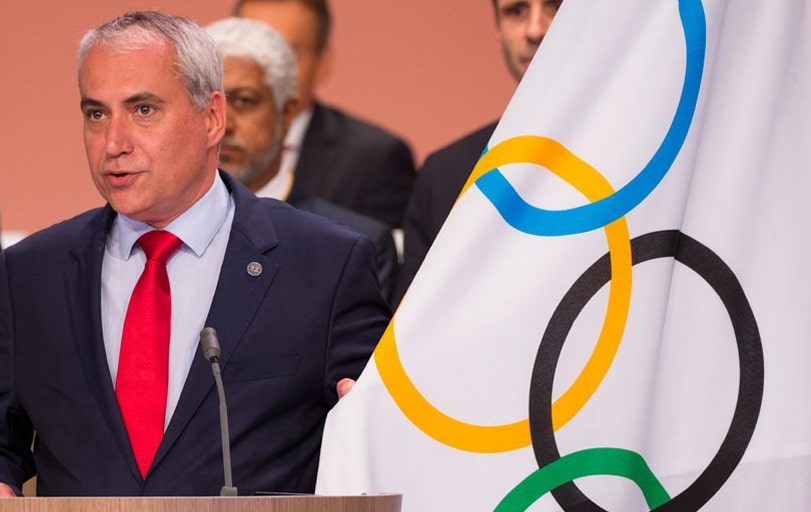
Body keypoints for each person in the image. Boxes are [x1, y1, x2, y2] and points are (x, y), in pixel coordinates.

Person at [0, 11, 390, 498]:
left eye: (143, 110)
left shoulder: (325, 266)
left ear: (212, 117)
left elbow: (379, 449)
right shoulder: (35, 271)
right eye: (96, 113)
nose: (114, 143)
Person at [206, 17, 398, 296]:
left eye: (244, 100)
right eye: (209, 104)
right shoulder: (156, 226)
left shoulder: (352, 244)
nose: (224, 123)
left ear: (286, 114)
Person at [392, 0, 561, 303]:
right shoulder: (445, 175)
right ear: (498, 28)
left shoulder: (653, 160)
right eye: (516, 11)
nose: (535, 30)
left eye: (557, 6)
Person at [232, 0, 416, 229]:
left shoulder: (375, 159)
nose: (264, 67)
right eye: (251, 50)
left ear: (323, 63)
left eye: (287, 52)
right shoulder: (202, 140)